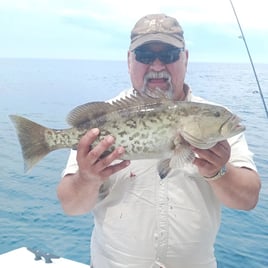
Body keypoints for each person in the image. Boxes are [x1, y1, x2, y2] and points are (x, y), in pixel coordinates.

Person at [57, 14, 261, 268]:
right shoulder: (104, 119)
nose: (156, 65)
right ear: (129, 60)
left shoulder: (214, 119)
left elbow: (248, 199)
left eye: (168, 55)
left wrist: (219, 171)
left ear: (185, 59)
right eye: (144, 56)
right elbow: (71, 205)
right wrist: (88, 177)